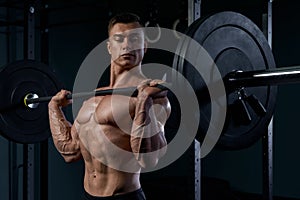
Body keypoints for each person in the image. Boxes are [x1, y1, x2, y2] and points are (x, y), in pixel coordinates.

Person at [48, 12, 171, 200]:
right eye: (119, 39)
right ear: (109, 47)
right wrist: (54, 108)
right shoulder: (93, 97)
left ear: (144, 46)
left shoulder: (153, 95)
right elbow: (71, 152)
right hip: (88, 195)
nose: (127, 45)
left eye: (134, 39)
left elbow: (149, 160)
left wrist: (144, 103)